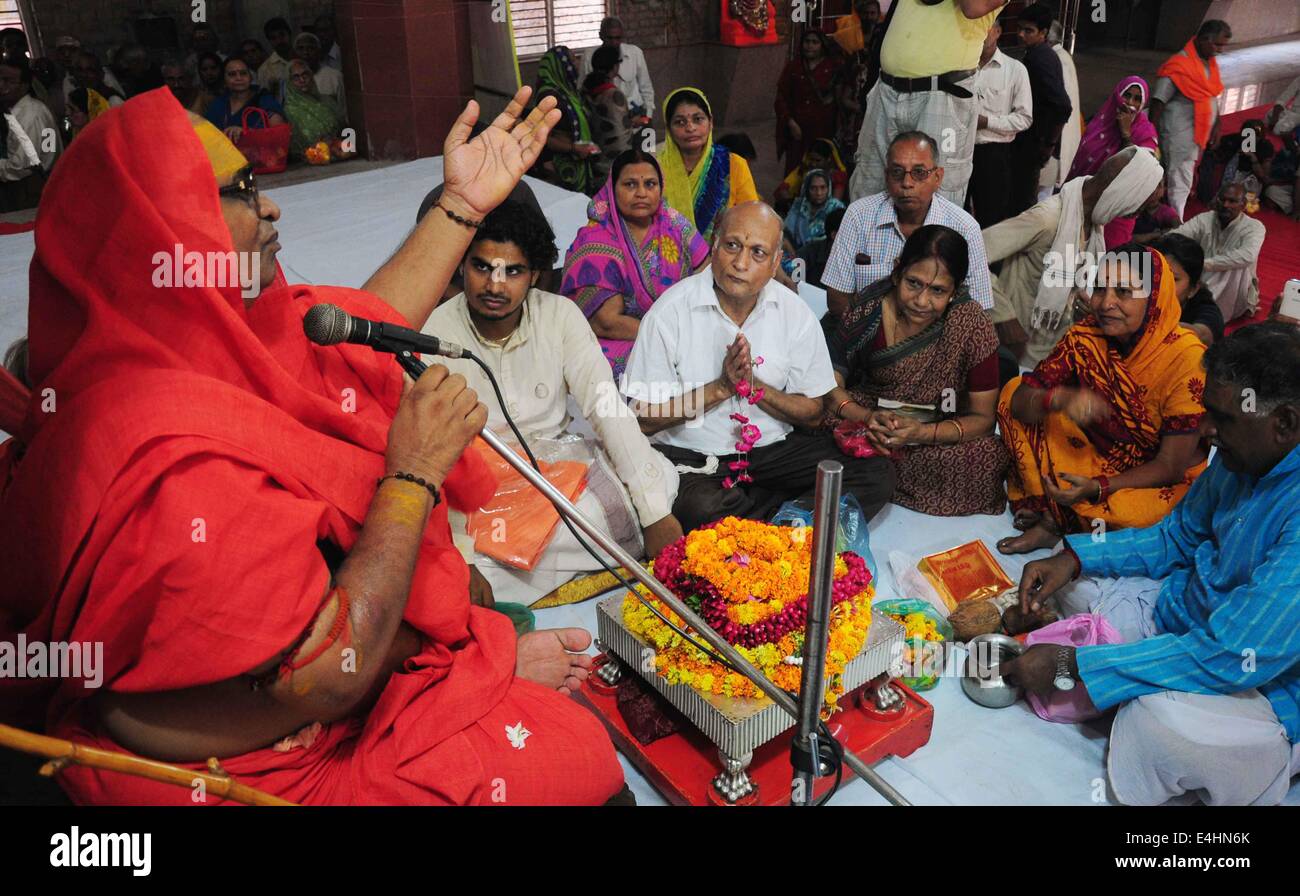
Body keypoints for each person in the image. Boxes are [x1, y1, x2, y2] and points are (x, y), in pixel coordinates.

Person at [0, 85, 629, 806]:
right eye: (242, 191)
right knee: (585, 761)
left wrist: (462, 205)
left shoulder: (156, 339)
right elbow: (329, 671)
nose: (271, 208)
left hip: (299, 694)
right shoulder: (173, 464)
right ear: (165, 228)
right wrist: (416, 475)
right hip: (260, 763)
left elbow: (347, 338)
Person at [1003, 323, 1300, 806]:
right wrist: (1075, 558)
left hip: (1259, 678)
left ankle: (1271, 754)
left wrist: (1075, 663)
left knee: (1162, 729)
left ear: (1283, 423)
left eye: (1221, 419)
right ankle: (1120, 673)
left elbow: (1235, 653)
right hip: (1187, 615)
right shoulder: (1242, 453)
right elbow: (1178, 536)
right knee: (1070, 585)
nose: (1206, 432)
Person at [424, 199, 685, 597]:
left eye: (512, 271)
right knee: (442, 558)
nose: (495, 285)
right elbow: (433, 458)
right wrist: (463, 555)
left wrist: (655, 515)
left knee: (659, 478)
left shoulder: (560, 316)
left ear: (534, 275)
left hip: (556, 476)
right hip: (472, 489)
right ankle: (494, 571)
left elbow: (606, 409)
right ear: (462, 264)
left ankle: (514, 576)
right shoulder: (434, 331)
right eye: (482, 267)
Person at [621, 201, 896, 532]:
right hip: (696, 460)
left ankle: (760, 522)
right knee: (699, 508)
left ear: (776, 262)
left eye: (758, 253)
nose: (740, 263)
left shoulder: (794, 313)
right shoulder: (670, 312)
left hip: (772, 454)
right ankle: (787, 523)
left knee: (875, 473)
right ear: (714, 244)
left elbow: (813, 412)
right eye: (732, 246)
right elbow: (643, 419)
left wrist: (755, 387)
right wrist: (720, 389)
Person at [996, 245, 1208, 555]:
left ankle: (1057, 517)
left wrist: (1099, 487)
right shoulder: (1086, 336)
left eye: (1123, 291)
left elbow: (1170, 466)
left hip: (1151, 478)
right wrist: (1060, 398)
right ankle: (1059, 517)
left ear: (1154, 297)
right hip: (1096, 454)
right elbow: (1020, 401)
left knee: (1152, 516)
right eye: (1099, 289)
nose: (1105, 303)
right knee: (1013, 390)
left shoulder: (1187, 359)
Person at [823, 225, 1009, 515]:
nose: (922, 301)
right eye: (913, 283)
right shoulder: (870, 307)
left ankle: (872, 471)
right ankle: (874, 467)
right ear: (897, 271)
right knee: (816, 418)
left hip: (935, 428)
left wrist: (921, 433)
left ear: (955, 290)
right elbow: (830, 384)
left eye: (937, 291)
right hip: (870, 417)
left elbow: (983, 420)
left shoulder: (972, 325)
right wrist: (868, 418)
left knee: (988, 456)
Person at [985, 145, 1164, 364]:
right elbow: (973, 251)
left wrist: (1080, 300)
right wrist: (1004, 316)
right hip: (1017, 352)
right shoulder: (1049, 219)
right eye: (1137, 207)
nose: (1134, 215)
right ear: (1122, 192)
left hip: (1055, 351)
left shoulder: (1094, 226)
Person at [561, 148, 709, 378]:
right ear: (612, 189)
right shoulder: (596, 241)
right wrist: (671, 340)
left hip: (677, 330)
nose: (641, 193)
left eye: (650, 184)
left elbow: (706, 274)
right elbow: (607, 323)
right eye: (630, 184)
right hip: (618, 338)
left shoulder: (674, 223)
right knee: (642, 367)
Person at [850, 0, 1007, 207]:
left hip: (942, 95)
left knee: (935, 196)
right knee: (868, 187)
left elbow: (973, 7)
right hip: (887, 88)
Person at [823, 130, 992, 319]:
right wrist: (882, 337)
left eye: (919, 173)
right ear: (887, 176)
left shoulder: (964, 228)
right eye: (897, 172)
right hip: (866, 339)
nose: (907, 183)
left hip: (934, 341)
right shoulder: (859, 216)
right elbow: (837, 298)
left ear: (938, 177)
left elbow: (978, 307)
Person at [1150, 19, 1231, 220]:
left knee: (1181, 179)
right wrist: (1151, 138)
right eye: (1217, 44)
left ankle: (1172, 217)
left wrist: (1217, 124)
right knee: (1178, 179)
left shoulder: (1209, 64)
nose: (1220, 50)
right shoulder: (1179, 65)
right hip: (1177, 134)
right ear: (1204, 39)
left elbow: (1211, 95)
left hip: (1197, 135)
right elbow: (1157, 102)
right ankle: (1175, 221)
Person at [657, 87, 759, 241]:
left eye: (698, 119)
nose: (690, 128)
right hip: (661, 256)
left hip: (717, 259)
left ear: (710, 122)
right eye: (679, 122)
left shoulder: (733, 165)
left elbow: (750, 218)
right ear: (669, 129)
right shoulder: (654, 166)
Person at [969, 13, 1033, 228]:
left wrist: (987, 122)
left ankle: (988, 262)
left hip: (993, 154)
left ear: (997, 32)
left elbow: (1024, 118)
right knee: (954, 213)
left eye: (985, 27)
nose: (978, 32)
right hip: (958, 150)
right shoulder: (960, 67)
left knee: (991, 219)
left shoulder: (1015, 70)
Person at [1168, 182, 1265, 323]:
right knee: (1179, 248)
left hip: (1234, 288)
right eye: (1222, 199)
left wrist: (1206, 264)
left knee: (1236, 265)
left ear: (1243, 204)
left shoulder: (1254, 227)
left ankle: (1205, 314)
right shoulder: (1205, 219)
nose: (1225, 205)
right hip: (1201, 278)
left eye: (1232, 201)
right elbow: (1177, 235)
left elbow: (1247, 256)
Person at [1008, 3, 1071, 218]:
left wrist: (1049, 144)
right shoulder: (1038, 53)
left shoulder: (1039, 59)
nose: (1020, 34)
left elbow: (1063, 106)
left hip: (1034, 142)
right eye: (1019, 28)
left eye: (1028, 31)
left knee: (1023, 203)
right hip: (1032, 140)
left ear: (1043, 33)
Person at [534, 46, 602, 194]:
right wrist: (574, 148)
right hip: (561, 166)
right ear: (560, 65)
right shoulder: (549, 96)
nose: (577, 63)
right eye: (573, 59)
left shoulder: (568, 91)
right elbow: (542, 136)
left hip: (579, 162)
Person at [774, 28, 841, 178]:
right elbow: (781, 98)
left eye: (814, 42)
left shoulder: (832, 69)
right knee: (795, 170)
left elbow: (839, 100)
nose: (809, 46)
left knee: (820, 170)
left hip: (823, 130)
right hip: (797, 132)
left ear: (822, 45)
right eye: (807, 42)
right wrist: (790, 122)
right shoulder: (794, 67)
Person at [1068, 76, 1159, 181]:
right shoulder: (1103, 120)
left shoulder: (1145, 132)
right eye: (1127, 95)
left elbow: (1140, 169)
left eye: (1137, 99)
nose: (1130, 102)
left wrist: (1126, 134)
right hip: (1078, 187)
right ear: (1118, 95)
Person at [0, 53, 56, 212]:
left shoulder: (28, 116)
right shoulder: (30, 108)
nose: (1, 86)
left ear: (24, 86)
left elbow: (20, 166)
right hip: (37, 177)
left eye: (8, 81)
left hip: (31, 186)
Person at [1149, 233, 1223, 345]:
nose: (1161, 285)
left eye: (1174, 279)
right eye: (1156, 275)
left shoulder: (1207, 312)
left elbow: (1202, 334)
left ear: (1193, 289)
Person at [834, 0, 884, 160]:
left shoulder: (882, 36)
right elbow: (844, 93)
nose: (868, 17)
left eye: (872, 13)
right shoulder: (849, 37)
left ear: (878, 16)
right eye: (865, 13)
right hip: (853, 108)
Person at [579, 17, 654, 124]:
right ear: (601, 36)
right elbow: (582, 90)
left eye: (618, 38)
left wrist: (648, 115)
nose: (614, 42)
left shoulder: (635, 53)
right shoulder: (589, 56)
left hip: (637, 117)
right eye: (609, 38)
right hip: (606, 121)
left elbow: (646, 87)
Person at [205, 56, 286, 142]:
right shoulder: (219, 103)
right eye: (232, 74)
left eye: (243, 73)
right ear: (224, 79)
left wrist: (248, 133)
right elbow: (207, 136)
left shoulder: (263, 99)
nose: (239, 78)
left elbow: (280, 135)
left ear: (250, 77)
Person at [581, 44, 633, 166]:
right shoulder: (613, 94)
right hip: (615, 160)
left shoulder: (586, 89)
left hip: (595, 157)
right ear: (615, 67)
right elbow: (620, 133)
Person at [284, 58, 345, 160]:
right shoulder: (289, 111)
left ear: (311, 76)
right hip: (311, 164)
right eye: (296, 77)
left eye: (305, 75)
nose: (302, 80)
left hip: (341, 155)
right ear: (289, 82)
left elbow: (344, 128)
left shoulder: (327, 101)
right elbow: (295, 149)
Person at [772, 136, 848, 213]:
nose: (814, 164)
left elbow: (835, 201)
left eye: (818, 160)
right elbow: (783, 188)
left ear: (828, 159)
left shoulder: (837, 177)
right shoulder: (804, 169)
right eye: (811, 159)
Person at [783, 168, 844, 255]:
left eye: (823, 188)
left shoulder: (836, 207)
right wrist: (794, 256)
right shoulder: (799, 204)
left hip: (823, 257)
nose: (819, 193)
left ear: (829, 188)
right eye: (813, 188)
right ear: (806, 189)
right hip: (795, 253)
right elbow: (787, 231)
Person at [294, 32, 346, 123]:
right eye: (301, 48)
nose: (306, 52)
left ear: (319, 51)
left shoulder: (334, 76)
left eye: (311, 48)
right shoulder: (289, 80)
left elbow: (344, 112)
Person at [796, 205, 845, 290]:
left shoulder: (858, 255)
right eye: (850, 232)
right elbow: (794, 285)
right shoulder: (808, 253)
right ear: (834, 235)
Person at [257, 17, 295, 102]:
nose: (279, 41)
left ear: (289, 34)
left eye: (282, 35)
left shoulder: (304, 57)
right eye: (273, 38)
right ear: (269, 41)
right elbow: (266, 101)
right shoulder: (265, 69)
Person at [191, 51, 224, 116]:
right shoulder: (196, 93)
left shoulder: (230, 91)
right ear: (200, 72)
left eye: (213, 68)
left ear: (220, 69)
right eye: (204, 69)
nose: (209, 73)